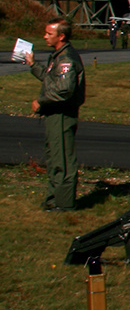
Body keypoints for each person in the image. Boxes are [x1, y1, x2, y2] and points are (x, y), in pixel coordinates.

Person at [26, 19, 86, 211]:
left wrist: (40, 101)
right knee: (53, 157)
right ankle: (53, 199)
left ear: (61, 36)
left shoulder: (66, 59)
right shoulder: (58, 56)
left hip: (61, 114)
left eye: (49, 34)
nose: (45, 37)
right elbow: (51, 80)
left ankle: (64, 203)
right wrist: (33, 64)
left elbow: (63, 91)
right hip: (54, 114)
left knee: (63, 161)